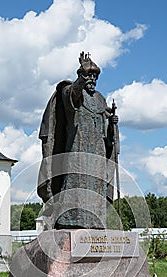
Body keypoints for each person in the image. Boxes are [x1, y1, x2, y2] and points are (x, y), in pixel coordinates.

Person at [38, 51, 119, 229]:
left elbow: (105, 131)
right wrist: (82, 76)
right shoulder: (71, 92)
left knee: (96, 186)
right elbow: (73, 94)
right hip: (77, 149)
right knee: (75, 184)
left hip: (97, 151)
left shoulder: (99, 99)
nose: (92, 79)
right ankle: (69, 221)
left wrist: (112, 125)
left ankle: (96, 223)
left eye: (94, 76)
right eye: (88, 75)